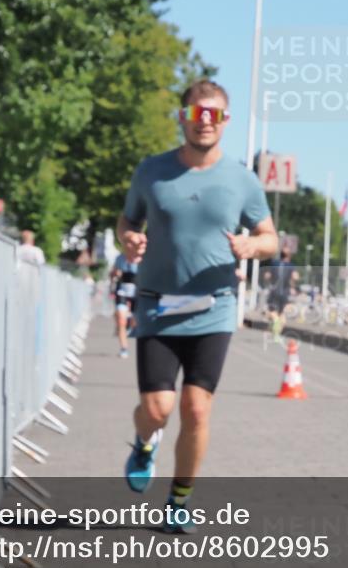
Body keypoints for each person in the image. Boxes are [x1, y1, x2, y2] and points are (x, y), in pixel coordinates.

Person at [117, 79, 277, 532]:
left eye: (216, 115)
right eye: (197, 113)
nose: (206, 122)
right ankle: (144, 443)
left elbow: (270, 238)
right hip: (158, 305)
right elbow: (127, 218)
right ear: (183, 117)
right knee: (157, 408)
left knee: (196, 408)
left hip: (215, 306)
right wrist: (128, 238)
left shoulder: (242, 180)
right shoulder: (152, 171)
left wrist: (252, 246)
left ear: (225, 122)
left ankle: (178, 501)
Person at [265, 246, 299, 342]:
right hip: (285, 292)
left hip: (274, 291)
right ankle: (277, 334)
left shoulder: (274, 264)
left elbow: (267, 276)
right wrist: (293, 286)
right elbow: (295, 277)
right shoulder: (291, 266)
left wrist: (271, 280)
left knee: (272, 311)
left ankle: (275, 321)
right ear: (289, 256)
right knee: (282, 314)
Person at [109, 251, 139, 359]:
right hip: (122, 291)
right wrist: (114, 274)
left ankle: (129, 325)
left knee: (135, 322)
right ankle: (123, 348)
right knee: (121, 321)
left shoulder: (143, 256)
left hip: (137, 292)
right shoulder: (120, 257)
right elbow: (112, 273)